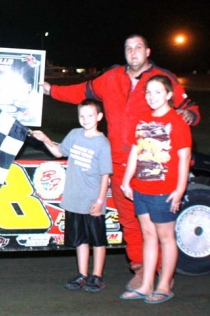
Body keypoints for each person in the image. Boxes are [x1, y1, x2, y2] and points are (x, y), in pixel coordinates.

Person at [40, 34, 200, 290]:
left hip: (153, 165)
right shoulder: (111, 77)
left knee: (158, 226)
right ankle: (140, 270)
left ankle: (162, 276)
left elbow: (188, 105)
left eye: (138, 47)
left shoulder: (162, 78)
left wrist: (189, 115)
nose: (133, 52)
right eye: (128, 48)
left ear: (148, 51)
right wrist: (51, 90)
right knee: (130, 222)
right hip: (118, 163)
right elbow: (81, 91)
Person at [119, 75, 191, 303]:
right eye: (148, 92)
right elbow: (135, 152)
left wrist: (179, 190)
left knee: (166, 238)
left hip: (164, 191)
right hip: (141, 189)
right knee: (148, 236)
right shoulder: (142, 120)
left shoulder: (176, 121)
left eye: (158, 92)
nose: (152, 97)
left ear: (169, 95)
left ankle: (164, 285)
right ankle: (146, 285)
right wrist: (127, 180)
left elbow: (184, 158)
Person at [32, 99, 112, 293]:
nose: (86, 119)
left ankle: (97, 276)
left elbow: (105, 176)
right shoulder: (75, 135)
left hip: (92, 200)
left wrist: (100, 201)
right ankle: (83, 275)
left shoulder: (102, 143)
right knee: (80, 240)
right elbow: (58, 152)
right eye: (82, 116)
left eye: (90, 115)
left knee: (97, 240)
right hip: (74, 199)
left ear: (99, 117)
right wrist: (45, 139)